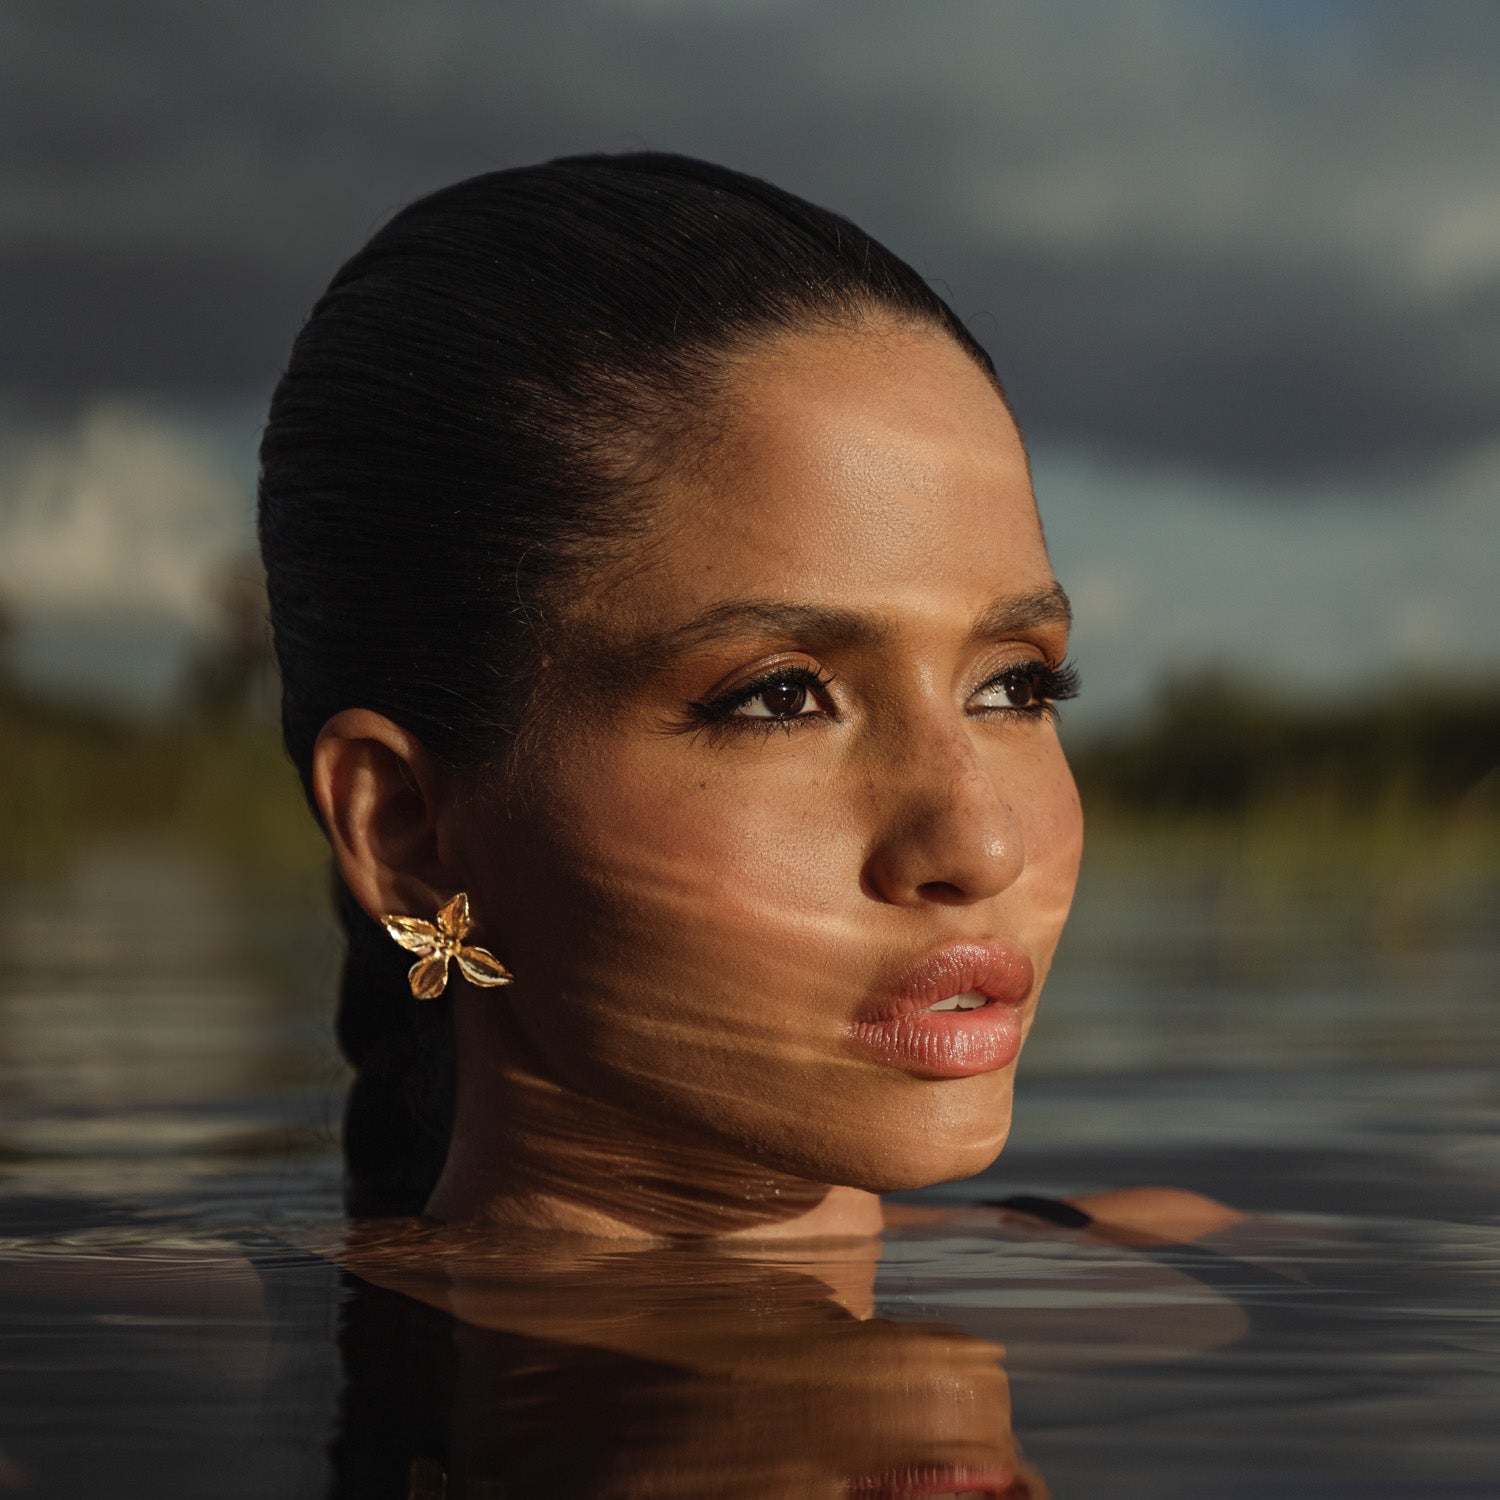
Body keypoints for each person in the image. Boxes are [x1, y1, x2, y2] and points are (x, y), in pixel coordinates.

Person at [259, 150, 1235, 1247]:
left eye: (1013, 685)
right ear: (407, 829)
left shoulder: (1190, 1268)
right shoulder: (125, 1356)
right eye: (780, 698)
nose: (981, 843)